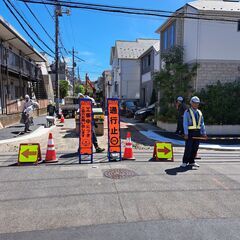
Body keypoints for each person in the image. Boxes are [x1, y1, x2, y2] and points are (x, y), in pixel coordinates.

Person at [180, 96, 207, 168]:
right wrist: (186, 133)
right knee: (188, 147)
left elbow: (202, 123)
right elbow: (185, 123)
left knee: (195, 148)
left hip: (198, 132)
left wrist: (204, 133)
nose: (196, 104)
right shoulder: (187, 112)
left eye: (197, 103)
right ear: (191, 103)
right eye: (194, 103)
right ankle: (185, 162)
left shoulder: (199, 112)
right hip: (190, 132)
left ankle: (192, 161)